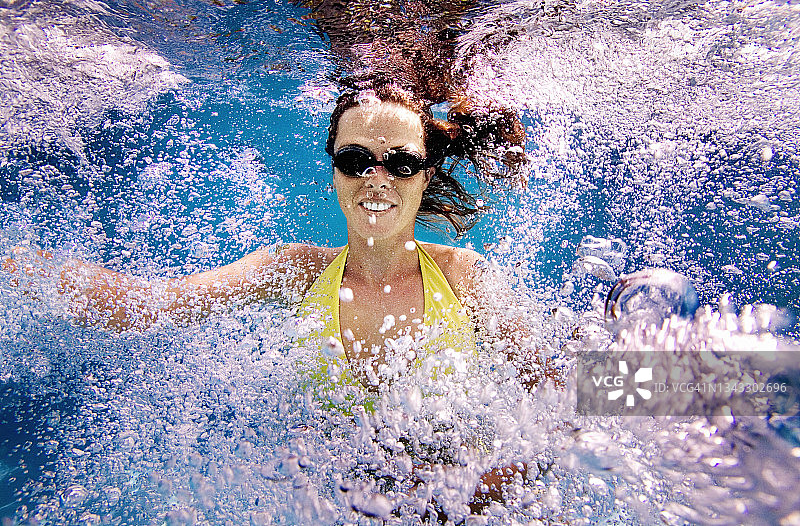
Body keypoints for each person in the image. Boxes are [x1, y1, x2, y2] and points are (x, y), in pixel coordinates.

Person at [2, 83, 558, 519]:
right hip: (347, 505)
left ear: (425, 174)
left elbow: (557, 394)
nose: (377, 178)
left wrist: (644, 372)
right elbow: (145, 304)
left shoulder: (464, 278)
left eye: (402, 163)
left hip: (476, 502)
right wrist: (16, 267)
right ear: (333, 168)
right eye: (355, 158)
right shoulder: (294, 270)